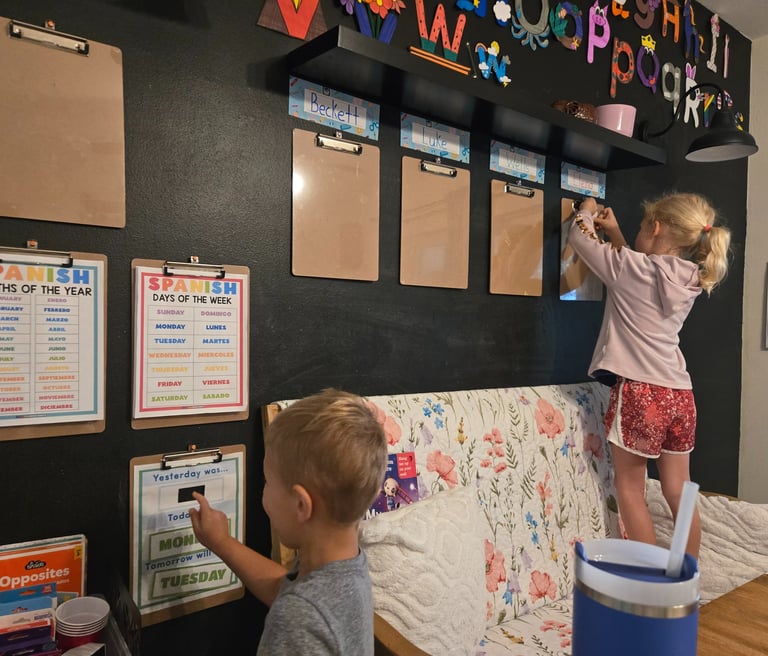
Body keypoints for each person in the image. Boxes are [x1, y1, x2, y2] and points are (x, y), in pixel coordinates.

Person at [567, 192, 730, 559]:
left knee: (630, 488)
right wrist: (617, 234)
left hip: (641, 393)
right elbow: (638, 270)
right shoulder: (690, 277)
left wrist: (587, 210)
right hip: (679, 394)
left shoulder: (630, 269)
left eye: (641, 227)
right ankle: (688, 574)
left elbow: (580, 237)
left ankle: (649, 578)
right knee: (680, 489)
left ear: (655, 227)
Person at [190, 388, 388, 655]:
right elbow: (284, 588)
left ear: (300, 505)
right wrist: (222, 542)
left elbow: (296, 603)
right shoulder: (346, 567)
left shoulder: (297, 619)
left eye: (267, 482)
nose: (263, 491)